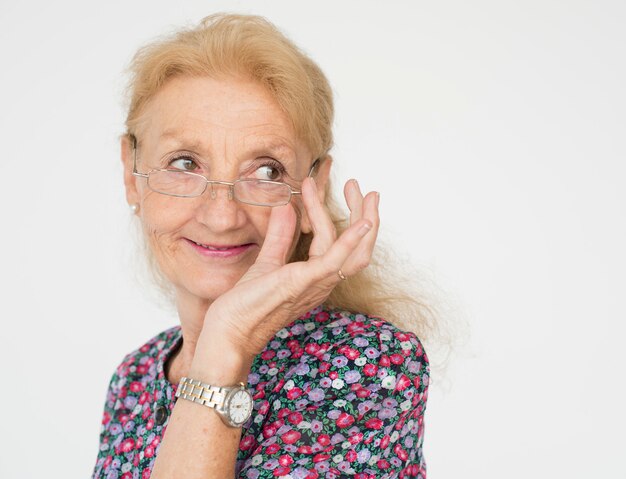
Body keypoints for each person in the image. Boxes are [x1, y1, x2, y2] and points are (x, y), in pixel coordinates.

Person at [92, 13, 432, 479]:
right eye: (185, 162)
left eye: (267, 171)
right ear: (132, 176)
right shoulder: (135, 378)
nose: (221, 215)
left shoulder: (369, 363)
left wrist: (225, 343)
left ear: (313, 185)